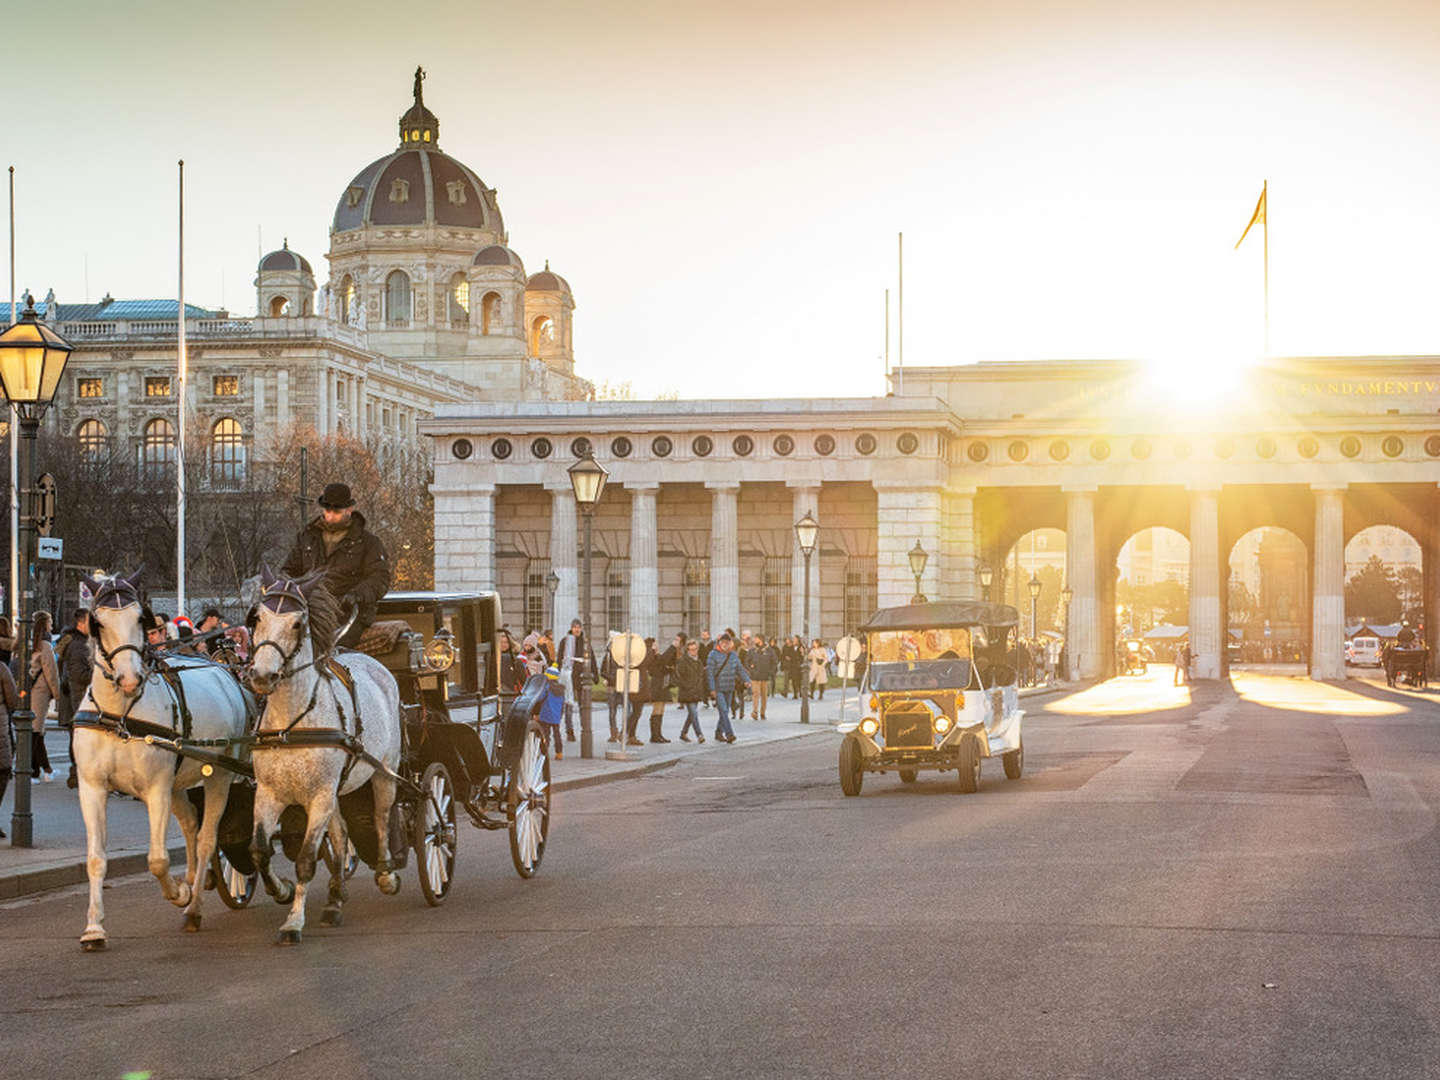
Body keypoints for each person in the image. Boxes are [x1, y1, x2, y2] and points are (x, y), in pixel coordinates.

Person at [281, 481, 391, 649]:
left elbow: (380, 578)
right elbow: (288, 570)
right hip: (309, 612)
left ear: (349, 510)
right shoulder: (307, 537)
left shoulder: (368, 543)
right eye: (327, 511)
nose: (330, 516)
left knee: (335, 649)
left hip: (348, 613)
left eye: (337, 512)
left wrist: (356, 595)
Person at [55, 608, 92, 788]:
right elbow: (79, 675)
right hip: (78, 700)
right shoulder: (78, 645)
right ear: (81, 623)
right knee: (80, 740)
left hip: (72, 699)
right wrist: (100, 675)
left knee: (76, 739)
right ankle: (77, 775)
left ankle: (76, 774)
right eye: (89, 621)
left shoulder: (71, 641)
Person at [27, 611, 58, 782]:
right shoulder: (45, 645)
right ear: (45, 624)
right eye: (50, 622)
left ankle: (45, 770)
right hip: (40, 691)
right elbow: (51, 673)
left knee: (37, 731)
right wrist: (57, 694)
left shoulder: (29, 643)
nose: (52, 625)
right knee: (35, 731)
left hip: (28, 690)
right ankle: (31, 771)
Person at [706, 633, 750, 744]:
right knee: (724, 710)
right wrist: (712, 689)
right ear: (719, 643)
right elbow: (710, 674)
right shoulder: (713, 655)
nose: (725, 644)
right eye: (723, 642)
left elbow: (740, 669)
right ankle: (729, 734)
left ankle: (718, 732)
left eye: (727, 642)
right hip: (718, 688)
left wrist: (746, 680)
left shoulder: (733, 655)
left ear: (730, 643)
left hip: (729, 687)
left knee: (724, 711)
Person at [674, 638, 707, 743]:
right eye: (691, 650)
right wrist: (687, 686)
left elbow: (701, 676)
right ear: (687, 650)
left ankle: (683, 733)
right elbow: (678, 677)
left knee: (691, 714)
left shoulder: (699, 662)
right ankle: (699, 734)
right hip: (687, 691)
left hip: (696, 691)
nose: (694, 651)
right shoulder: (683, 661)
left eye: (695, 649)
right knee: (694, 713)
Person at [746, 634, 777, 720]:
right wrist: (750, 669)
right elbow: (747, 661)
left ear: (760, 640)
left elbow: (774, 662)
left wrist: (770, 672)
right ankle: (755, 711)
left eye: (755, 638)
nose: (754, 640)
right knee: (755, 693)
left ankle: (763, 712)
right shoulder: (752, 650)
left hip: (764, 676)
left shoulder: (769, 651)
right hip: (754, 676)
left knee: (764, 695)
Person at [538, 666, 565, 759]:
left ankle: (544, 752)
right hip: (556, 716)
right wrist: (560, 714)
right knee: (557, 734)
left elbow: (540, 698)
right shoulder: (561, 689)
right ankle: (559, 752)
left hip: (546, 714)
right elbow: (562, 704)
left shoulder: (547, 687)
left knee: (546, 734)